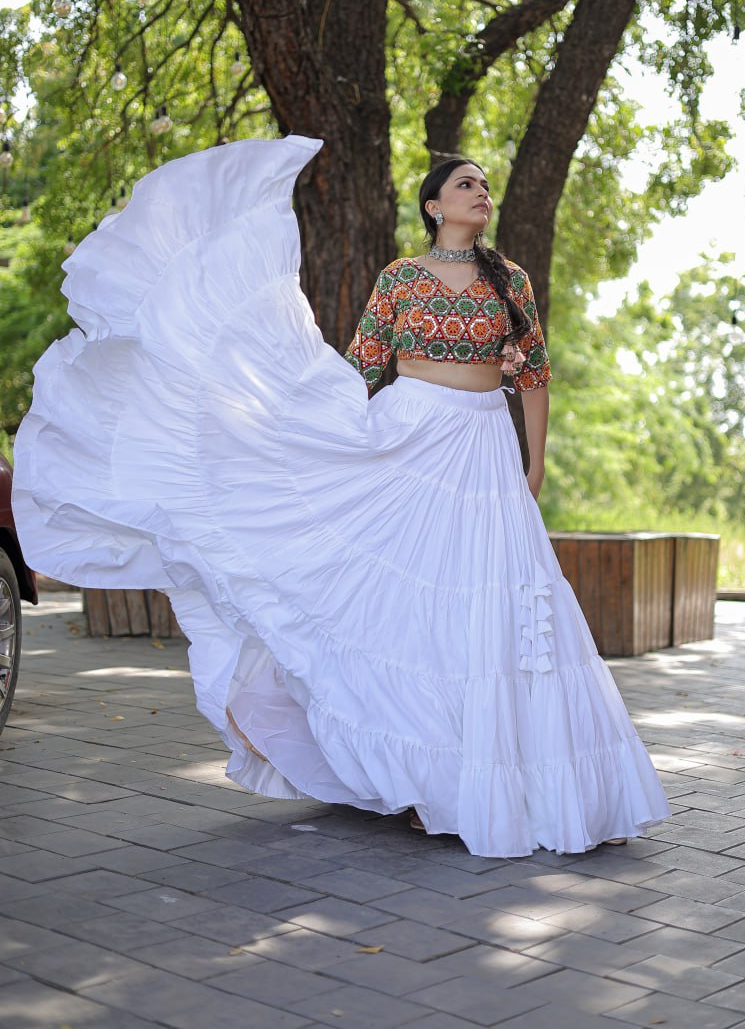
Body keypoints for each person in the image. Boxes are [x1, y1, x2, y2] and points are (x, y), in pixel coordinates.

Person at [12, 135, 670, 858]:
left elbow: (535, 378)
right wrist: (307, 436)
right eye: (465, 185)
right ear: (433, 206)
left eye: (485, 185)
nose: (481, 193)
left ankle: (510, 781)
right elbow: (359, 368)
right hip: (409, 437)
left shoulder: (508, 280)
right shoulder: (398, 279)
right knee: (414, 609)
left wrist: (531, 466)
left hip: (484, 449)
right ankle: (427, 779)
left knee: (501, 604)